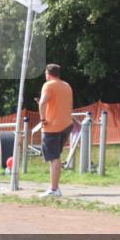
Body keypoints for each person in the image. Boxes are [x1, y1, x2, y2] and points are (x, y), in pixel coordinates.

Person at [38, 64, 74, 198]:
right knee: (56, 156)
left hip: (52, 126)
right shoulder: (66, 86)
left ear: (48, 73)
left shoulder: (48, 85)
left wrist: (42, 119)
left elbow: (42, 103)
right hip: (66, 124)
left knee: (54, 158)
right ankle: (54, 187)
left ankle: (54, 189)